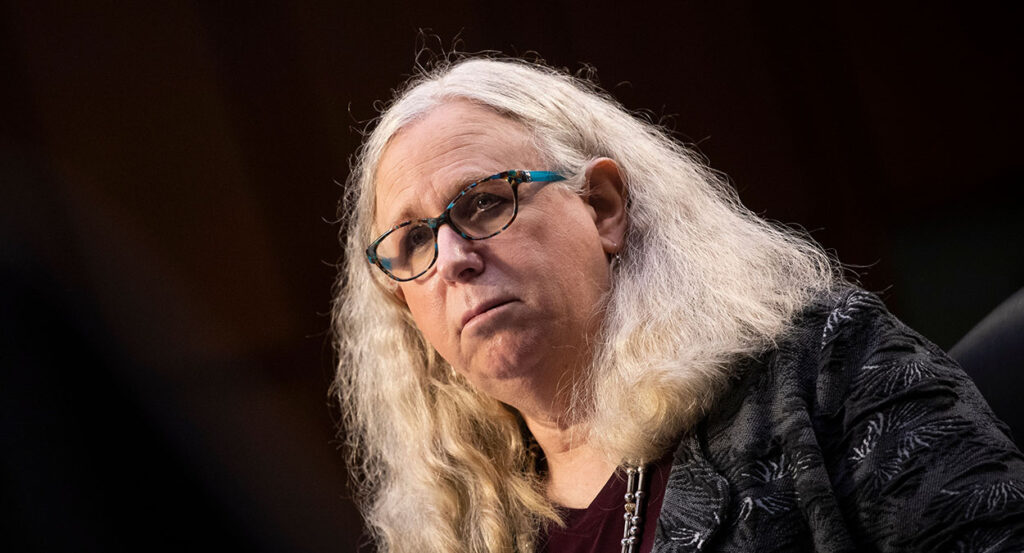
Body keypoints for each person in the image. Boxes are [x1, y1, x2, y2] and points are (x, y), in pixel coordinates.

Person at [332, 56, 1024, 553]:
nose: (452, 257)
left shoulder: (822, 368)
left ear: (603, 207)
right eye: (414, 239)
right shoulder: (450, 532)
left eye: (484, 202)